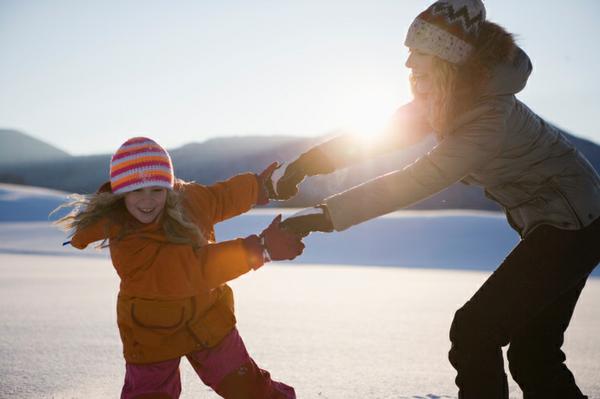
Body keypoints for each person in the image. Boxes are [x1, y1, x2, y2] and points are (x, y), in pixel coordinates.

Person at [273, 1, 600, 398]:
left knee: (476, 330)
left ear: (449, 58)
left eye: (420, 52)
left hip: (575, 225)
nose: (408, 62)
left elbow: (416, 180)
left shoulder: (486, 116)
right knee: (534, 355)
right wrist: (309, 163)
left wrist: (324, 215)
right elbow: (383, 133)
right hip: (567, 221)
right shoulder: (450, 96)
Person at [55, 136, 302, 399]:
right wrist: (258, 249)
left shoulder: (186, 200)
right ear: (121, 193)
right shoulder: (126, 239)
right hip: (152, 333)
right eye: (136, 190)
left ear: (169, 188)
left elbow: (220, 198)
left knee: (248, 389)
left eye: (156, 189)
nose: (147, 201)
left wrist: (260, 187)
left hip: (208, 319)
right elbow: (191, 271)